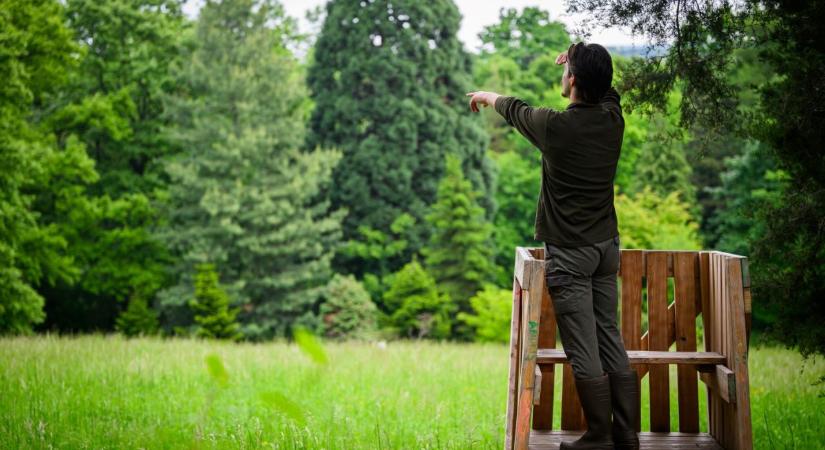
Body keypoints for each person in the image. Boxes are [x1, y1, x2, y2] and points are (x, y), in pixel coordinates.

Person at [466, 42, 640, 450]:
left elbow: (514, 109)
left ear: (572, 79)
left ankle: (598, 435)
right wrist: (580, 59)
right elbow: (608, 90)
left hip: (572, 255)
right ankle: (626, 434)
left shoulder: (556, 128)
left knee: (583, 346)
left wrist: (486, 96)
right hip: (605, 248)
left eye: (567, 71)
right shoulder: (613, 119)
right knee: (609, 336)